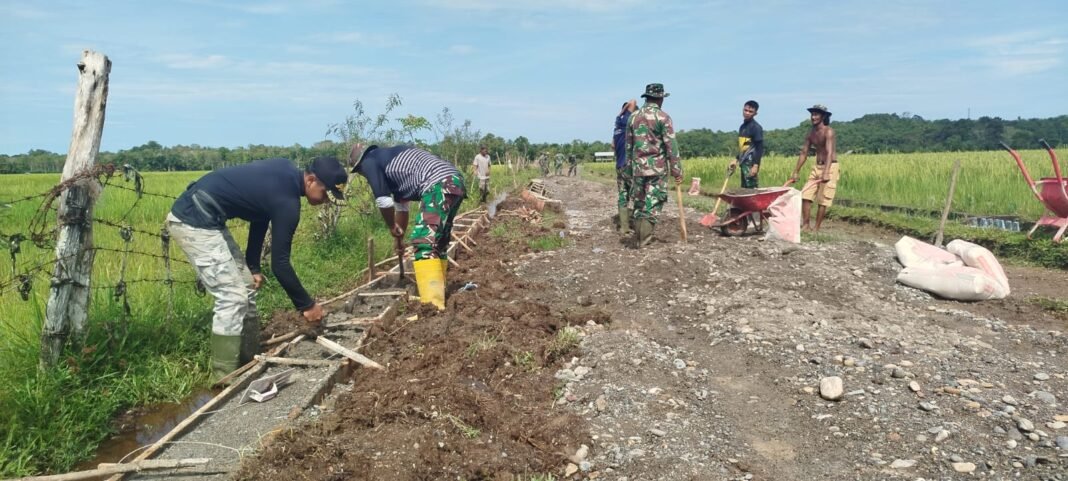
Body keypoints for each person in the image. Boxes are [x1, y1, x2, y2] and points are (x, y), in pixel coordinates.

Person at [166, 156, 347, 381]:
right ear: (310, 180)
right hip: (193, 220)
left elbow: (259, 215)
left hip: (210, 217)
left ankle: (248, 358)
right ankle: (224, 377)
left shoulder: (285, 172)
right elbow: (280, 264)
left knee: (246, 286)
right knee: (232, 297)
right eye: (325, 194)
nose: (326, 202)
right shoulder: (288, 201)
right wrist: (307, 305)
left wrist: (253, 266)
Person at [350, 143, 465, 309]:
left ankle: (432, 306)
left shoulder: (370, 161)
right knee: (438, 242)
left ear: (360, 164)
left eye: (360, 173)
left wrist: (390, 226)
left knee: (424, 243)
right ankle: (438, 294)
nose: (364, 175)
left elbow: (383, 200)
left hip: (438, 183)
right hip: (454, 181)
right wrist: (399, 239)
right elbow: (401, 208)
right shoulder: (390, 165)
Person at [626, 83, 682, 247]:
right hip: (657, 169)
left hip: (637, 168)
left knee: (639, 203)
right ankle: (644, 240)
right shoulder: (663, 117)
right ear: (660, 99)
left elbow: (628, 146)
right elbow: (672, 146)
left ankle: (638, 238)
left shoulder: (633, 117)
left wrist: (629, 169)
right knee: (653, 204)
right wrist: (677, 171)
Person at [787, 104, 839, 232]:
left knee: (823, 199)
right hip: (817, 166)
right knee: (805, 194)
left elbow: (829, 151)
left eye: (816, 114)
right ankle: (805, 225)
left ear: (823, 116)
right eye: (812, 114)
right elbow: (804, 153)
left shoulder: (828, 131)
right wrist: (796, 171)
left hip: (830, 166)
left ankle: (816, 228)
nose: (813, 117)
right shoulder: (811, 133)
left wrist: (826, 172)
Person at [729, 100, 765, 228]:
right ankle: (747, 218)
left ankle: (756, 219)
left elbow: (759, 148)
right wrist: (736, 159)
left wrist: (756, 165)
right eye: (746, 110)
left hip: (751, 162)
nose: (747, 113)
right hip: (743, 162)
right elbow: (743, 147)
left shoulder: (756, 128)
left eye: (751, 111)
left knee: (751, 191)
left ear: (756, 113)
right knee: (745, 191)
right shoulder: (742, 127)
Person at [613, 99, 638, 235]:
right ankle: (638, 226)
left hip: (619, 166)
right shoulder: (626, 121)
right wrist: (629, 110)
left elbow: (613, 145)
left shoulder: (617, 124)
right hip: (629, 167)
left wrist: (620, 113)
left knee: (623, 196)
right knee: (637, 196)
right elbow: (632, 101)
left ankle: (624, 227)